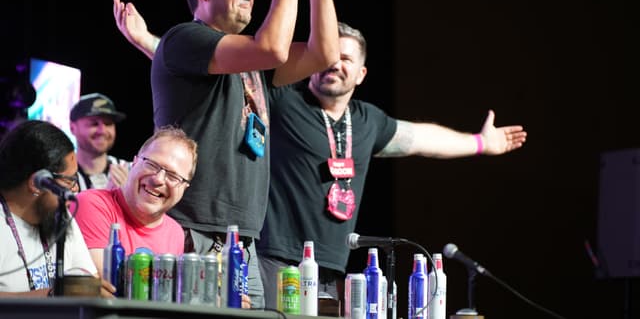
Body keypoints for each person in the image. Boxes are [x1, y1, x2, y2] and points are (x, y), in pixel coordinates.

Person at [113, 18, 527, 308]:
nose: (335, 64)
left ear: (361, 73)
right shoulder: (281, 101)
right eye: (329, 56)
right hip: (275, 257)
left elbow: (420, 138)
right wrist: (150, 42)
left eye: (347, 59)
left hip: (333, 264)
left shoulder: (368, 120)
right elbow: (220, 76)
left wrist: (479, 143)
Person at [112, 0, 340, 308]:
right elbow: (273, 48)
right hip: (193, 231)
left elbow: (324, 53)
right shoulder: (185, 39)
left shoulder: (246, 61)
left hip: (243, 241)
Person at [72, 126, 197, 288]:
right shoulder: (91, 204)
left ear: (184, 188)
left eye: (173, 176)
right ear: (135, 162)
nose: (158, 179)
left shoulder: (175, 233)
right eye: (152, 165)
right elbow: (106, 290)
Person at [0, 120, 112, 297]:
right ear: (36, 183)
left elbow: (87, 281)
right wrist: (54, 295)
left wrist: (91, 290)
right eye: (69, 181)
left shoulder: (61, 215)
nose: (75, 189)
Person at [69, 93, 130, 191]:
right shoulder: (60, 176)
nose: (102, 131)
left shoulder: (129, 171)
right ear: (73, 128)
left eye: (108, 123)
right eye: (94, 123)